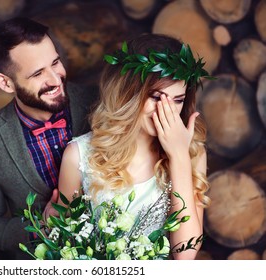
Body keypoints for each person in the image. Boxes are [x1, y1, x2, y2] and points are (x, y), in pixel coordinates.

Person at [56, 33, 212, 260]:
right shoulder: (79, 155)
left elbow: (185, 255)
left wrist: (178, 156)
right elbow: (65, 244)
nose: (165, 110)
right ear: (129, 94)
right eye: (157, 97)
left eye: (177, 100)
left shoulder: (193, 153)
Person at [0, 17, 97, 259]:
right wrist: (39, 227)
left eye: (55, 62)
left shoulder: (99, 101)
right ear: (6, 83)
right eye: (37, 74)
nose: (56, 80)